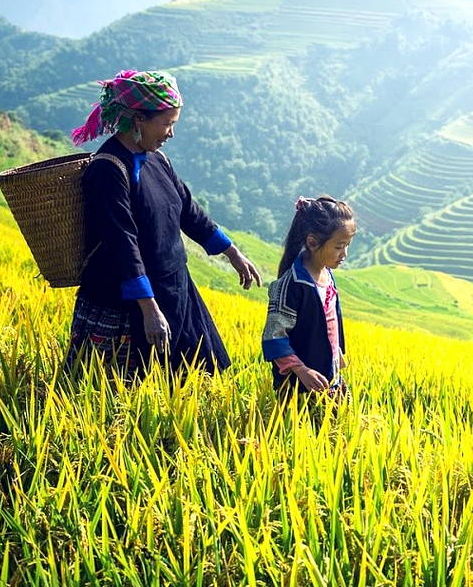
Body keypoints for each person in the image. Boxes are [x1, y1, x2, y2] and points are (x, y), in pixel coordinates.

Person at [64, 69, 260, 381]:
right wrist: (149, 309)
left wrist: (233, 253)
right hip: (129, 302)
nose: (171, 133)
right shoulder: (109, 169)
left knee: (198, 380)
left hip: (174, 289)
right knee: (123, 391)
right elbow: (121, 243)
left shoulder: (157, 159)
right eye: (167, 123)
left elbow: (188, 211)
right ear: (139, 119)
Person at [262, 196, 357, 398]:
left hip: (328, 378)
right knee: (301, 428)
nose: (345, 254)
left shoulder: (327, 276)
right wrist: (301, 370)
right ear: (313, 242)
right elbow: (274, 336)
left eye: (347, 245)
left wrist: (336, 351)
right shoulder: (292, 285)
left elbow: (329, 322)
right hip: (298, 387)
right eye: (339, 246)